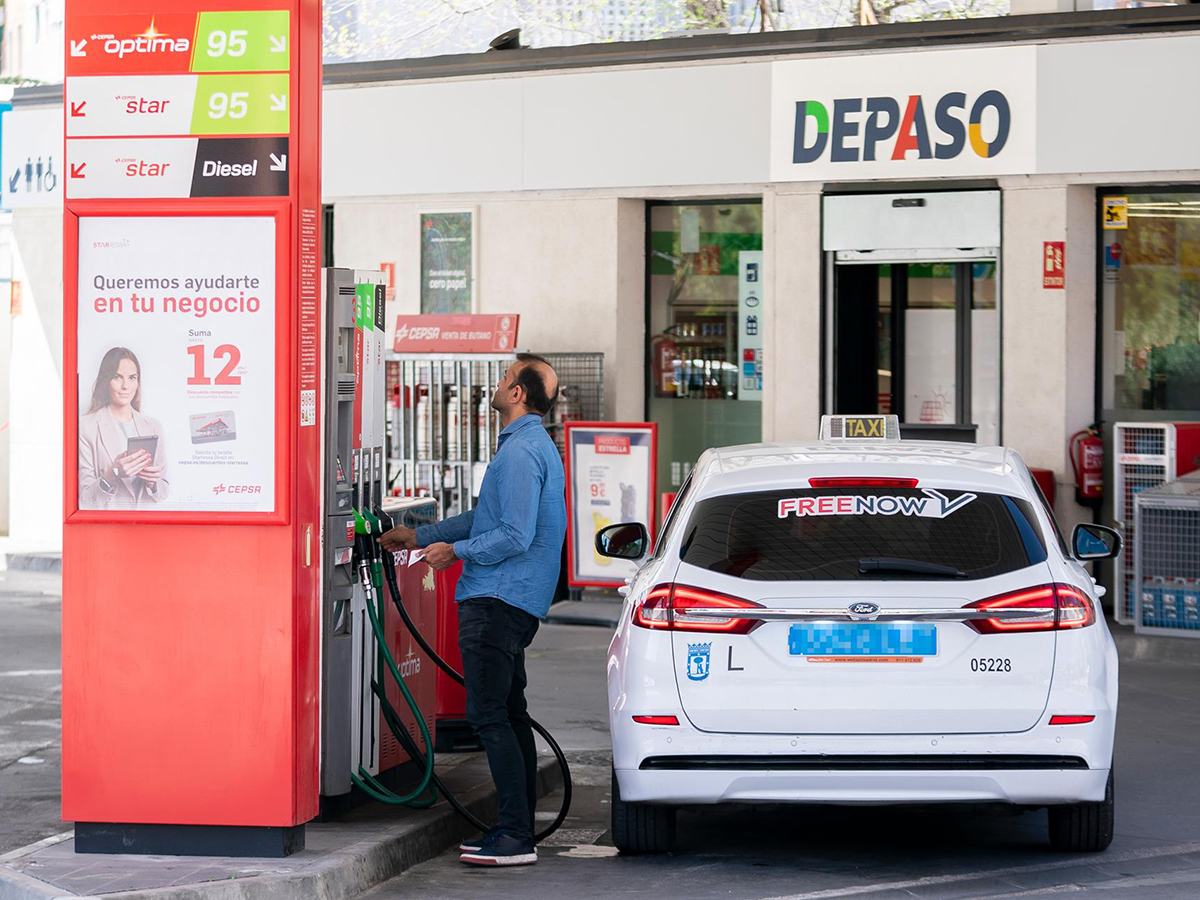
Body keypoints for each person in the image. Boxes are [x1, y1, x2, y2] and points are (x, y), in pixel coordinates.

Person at [379, 353, 565, 868]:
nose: (498, 383)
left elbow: (513, 534)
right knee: (508, 713)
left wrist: (452, 554)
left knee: (489, 717)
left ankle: (513, 836)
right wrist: (421, 535)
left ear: (519, 394)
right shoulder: (529, 447)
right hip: (510, 598)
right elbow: (486, 516)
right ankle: (519, 829)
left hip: (498, 598)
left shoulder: (522, 453)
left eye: (505, 377)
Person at [78, 347, 169, 509]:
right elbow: (86, 502)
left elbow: (164, 492)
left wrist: (152, 483)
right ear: (106, 380)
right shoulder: (87, 427)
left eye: (132, 378)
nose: (126, 386)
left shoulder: (153, 426)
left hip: (146, 526)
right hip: (109, 527)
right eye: (117, 377)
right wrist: (112, 474)